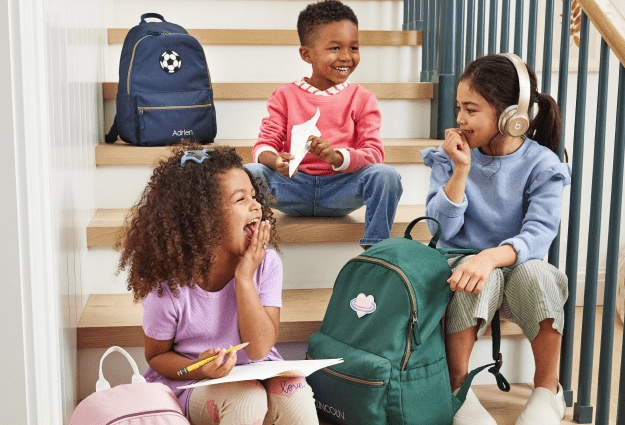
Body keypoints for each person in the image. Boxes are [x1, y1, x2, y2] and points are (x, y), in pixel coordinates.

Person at [118, 144, 319, 425]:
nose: (256, 205)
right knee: (246, 400)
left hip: (258, 369)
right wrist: (198, 368)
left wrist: (244, 277)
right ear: (203, 218)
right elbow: (157, 356)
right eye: (240, 200)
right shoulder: (168, 284)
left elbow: (260, 349)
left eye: (254, 195)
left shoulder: (266, 264)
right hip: (196, 382)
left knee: (295, 396)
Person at [420, 53, 571, 425]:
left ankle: (547, 390)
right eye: (459, 108)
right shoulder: (450, 157)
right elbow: (440, 229)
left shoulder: (543, 165)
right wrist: (460, 170)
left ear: (510, 116)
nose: (459, 119)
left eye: (471, 109)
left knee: (541, 274)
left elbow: (539, 234)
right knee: (472, 279)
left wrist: (491, 256)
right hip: (464, 267)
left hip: (515, 267)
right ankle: (457, 388)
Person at [244, 0, 403, 249]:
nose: (346, 57)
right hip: (292, 188)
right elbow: (264, 144)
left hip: (341, 190)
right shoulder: (284, 96)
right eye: (335, 48)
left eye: (354, 47)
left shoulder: (362, 98)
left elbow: (374, 153)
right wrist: (275, 161)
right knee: (249, 173)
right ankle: (252, 244)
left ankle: (376, 251)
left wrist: (336, 157)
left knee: (386, 176)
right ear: (307, 54)